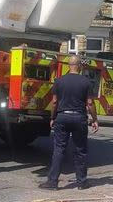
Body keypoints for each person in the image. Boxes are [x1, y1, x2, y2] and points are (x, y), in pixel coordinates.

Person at [39, 55, 98, 190]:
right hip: (79, 118)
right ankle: (81, 182)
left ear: (69, 66)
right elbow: (89, 103)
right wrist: (95, 119)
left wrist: (52, 118)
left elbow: (54, 102)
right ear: (80, 66)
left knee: (59, 149)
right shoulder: (86, 82)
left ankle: (52, 182)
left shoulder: (59, 81)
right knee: (80, 150)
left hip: (62, 117)